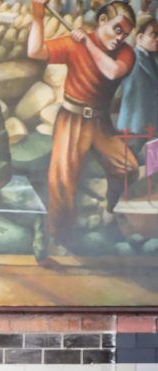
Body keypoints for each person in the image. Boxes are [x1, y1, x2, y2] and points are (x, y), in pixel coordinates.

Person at [28, 0, 138, 246]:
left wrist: (88, 42)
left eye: (125, 34)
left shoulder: (125, 53)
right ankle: (59, 238)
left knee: (128, 168)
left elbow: (112, 72)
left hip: (99, 122)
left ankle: (112, 210)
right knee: (61, 181)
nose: (120, 37)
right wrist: (37, 15)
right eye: (117, 29)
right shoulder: (72, 44)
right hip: (72, 120)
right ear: (102, 21)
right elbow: (34, 51)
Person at [115, 13, 158, 160]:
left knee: (150, 158)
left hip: (149, 118)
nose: (157, 39)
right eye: (154, 35)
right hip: (136, 119)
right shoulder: (132, 59)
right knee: (130, 156)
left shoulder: (152, 58)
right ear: (139, 38)